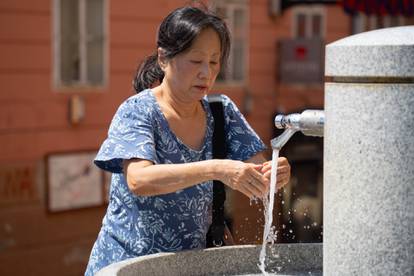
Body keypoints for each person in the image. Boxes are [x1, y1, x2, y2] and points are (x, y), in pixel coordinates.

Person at [85, 5, 291, 275]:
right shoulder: (137, 110)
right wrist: (216, 168)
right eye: (196, 61)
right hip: (128, 265)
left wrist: (272, 174)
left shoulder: (221, 111)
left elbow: (258, 173)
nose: (207, 73)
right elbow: (139, 179)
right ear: (163, 58)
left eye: (214, 62)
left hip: (191, 267)